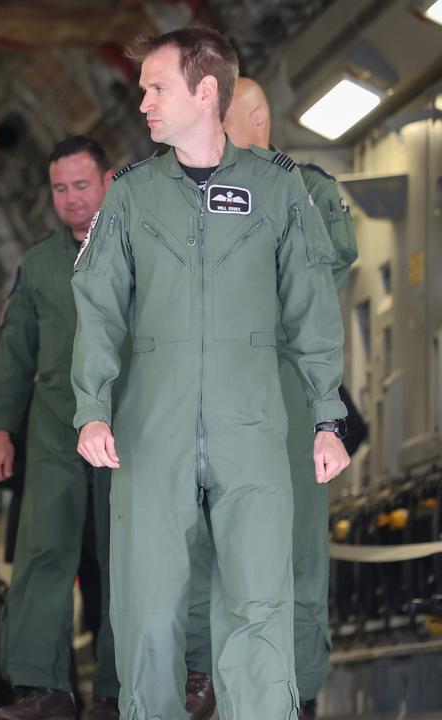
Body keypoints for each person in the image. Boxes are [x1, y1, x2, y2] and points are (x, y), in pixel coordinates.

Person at [71, 26, 350, 719]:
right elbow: (99, 306)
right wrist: (92, 408)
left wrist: (326, 416)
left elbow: (313, 306)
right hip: (151, 426)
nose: (142, 104)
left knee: (258, 601)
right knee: (148, 609)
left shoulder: (280, 191)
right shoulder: (133, 196)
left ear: (205, 92)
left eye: (155, 87)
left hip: (251, 422)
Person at [208, 76, 357, 720]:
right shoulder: (199, 194)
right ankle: (224, 683)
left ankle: (298, 685)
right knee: (216, 545)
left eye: (219, 118)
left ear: (257, 119)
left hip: (291, 396)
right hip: (220, 395)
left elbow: (315, 278)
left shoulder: (309, 190)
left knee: (296, 546)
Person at [0, 137, 120, 720]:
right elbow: (15, 352)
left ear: (109, 181)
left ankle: (121, 691)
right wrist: (0, 430)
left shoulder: (144, 249)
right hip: (53, 432)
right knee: (42, 554)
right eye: (60, 188)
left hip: (127, 428)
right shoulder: (39, 264)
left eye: (81, 185)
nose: (70, 199)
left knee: (129, 559)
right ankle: (43, 691)